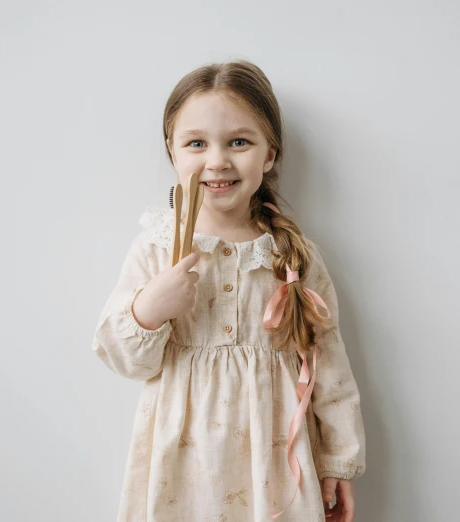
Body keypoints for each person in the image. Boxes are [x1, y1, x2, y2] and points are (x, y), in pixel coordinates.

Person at [92, 60, 366, 522]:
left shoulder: (291, 255)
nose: (217, 160)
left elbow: (328, 362)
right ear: (172, 153)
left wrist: (339, 460)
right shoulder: (157, 247)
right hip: (182, 463)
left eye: (238, 141)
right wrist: (150, 310)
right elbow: (120, 356)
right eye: (197, 143)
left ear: (270, 154)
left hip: (277, 460)